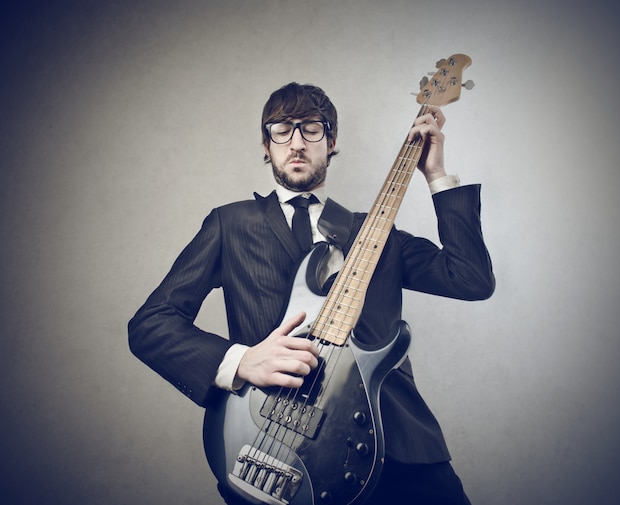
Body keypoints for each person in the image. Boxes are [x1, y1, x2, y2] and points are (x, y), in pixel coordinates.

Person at [128, 82, 495, 505]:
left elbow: (471, 279)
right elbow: (151, 324)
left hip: (394, 441)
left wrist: (436, 174)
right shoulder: (230, 224)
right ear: (266, 145)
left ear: (332, 141)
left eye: (311, 129)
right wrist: (243, 360)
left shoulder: (377, 233)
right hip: (270, 444)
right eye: (281, 130)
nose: (296, 142)